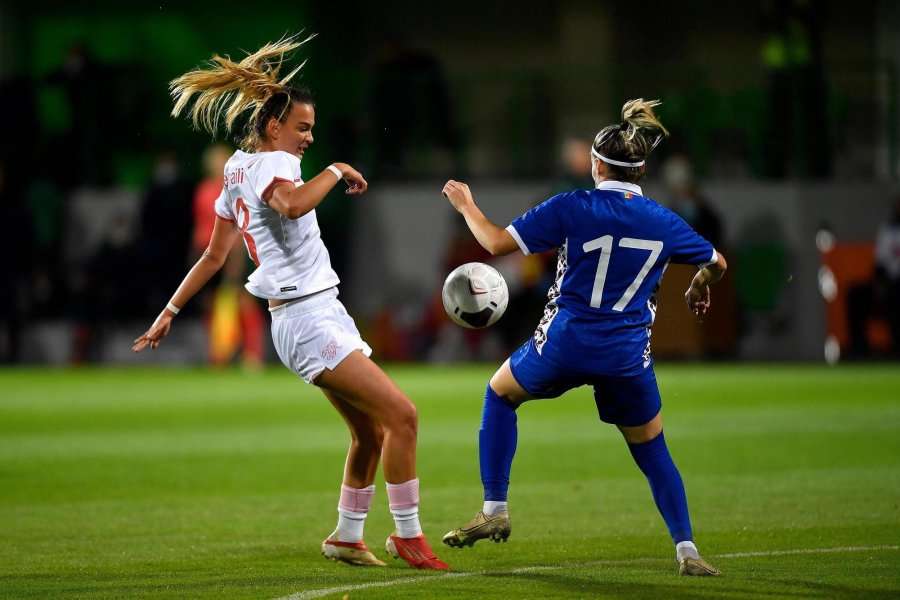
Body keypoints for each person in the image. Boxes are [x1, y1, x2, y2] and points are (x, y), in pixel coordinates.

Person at [131, 35, 448, 571]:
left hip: (309, 314)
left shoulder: (236, 168)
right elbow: (292, 204)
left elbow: (214, 256)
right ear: (274, 126)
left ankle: (347, 536)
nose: (308, 137)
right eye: (302, 127)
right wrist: (336, 168)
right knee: (403, 416)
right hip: (307, 317)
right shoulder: (274, 165)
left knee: (370, 430)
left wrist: (169, 311)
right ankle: (409, 534)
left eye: (311, 129)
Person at [439, 99, 727, 576]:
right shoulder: (664, 220)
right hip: (625, 356)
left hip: (565, 344)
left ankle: (494, 509)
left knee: (499, 393)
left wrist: (466, 205)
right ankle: (687, 549)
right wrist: (698, 284)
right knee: (652, 449)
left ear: (597, 165)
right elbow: (716, 263)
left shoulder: (572, 206)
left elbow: (494, 243)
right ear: (641, 171)